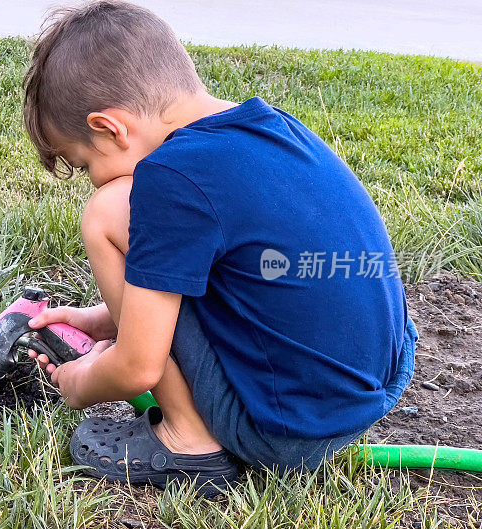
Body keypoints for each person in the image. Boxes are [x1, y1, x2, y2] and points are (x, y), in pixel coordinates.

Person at [22, 0, 417, 497]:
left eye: (83, 164)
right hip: (370, 388)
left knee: (108, 212)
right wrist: (109, 317)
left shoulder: (169, 177)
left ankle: (188, 440)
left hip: (286, 432)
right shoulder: (270, 127)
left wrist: (83, 382)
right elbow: (247, 271)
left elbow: (137, 368)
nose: (91, 178)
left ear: (111, 128)